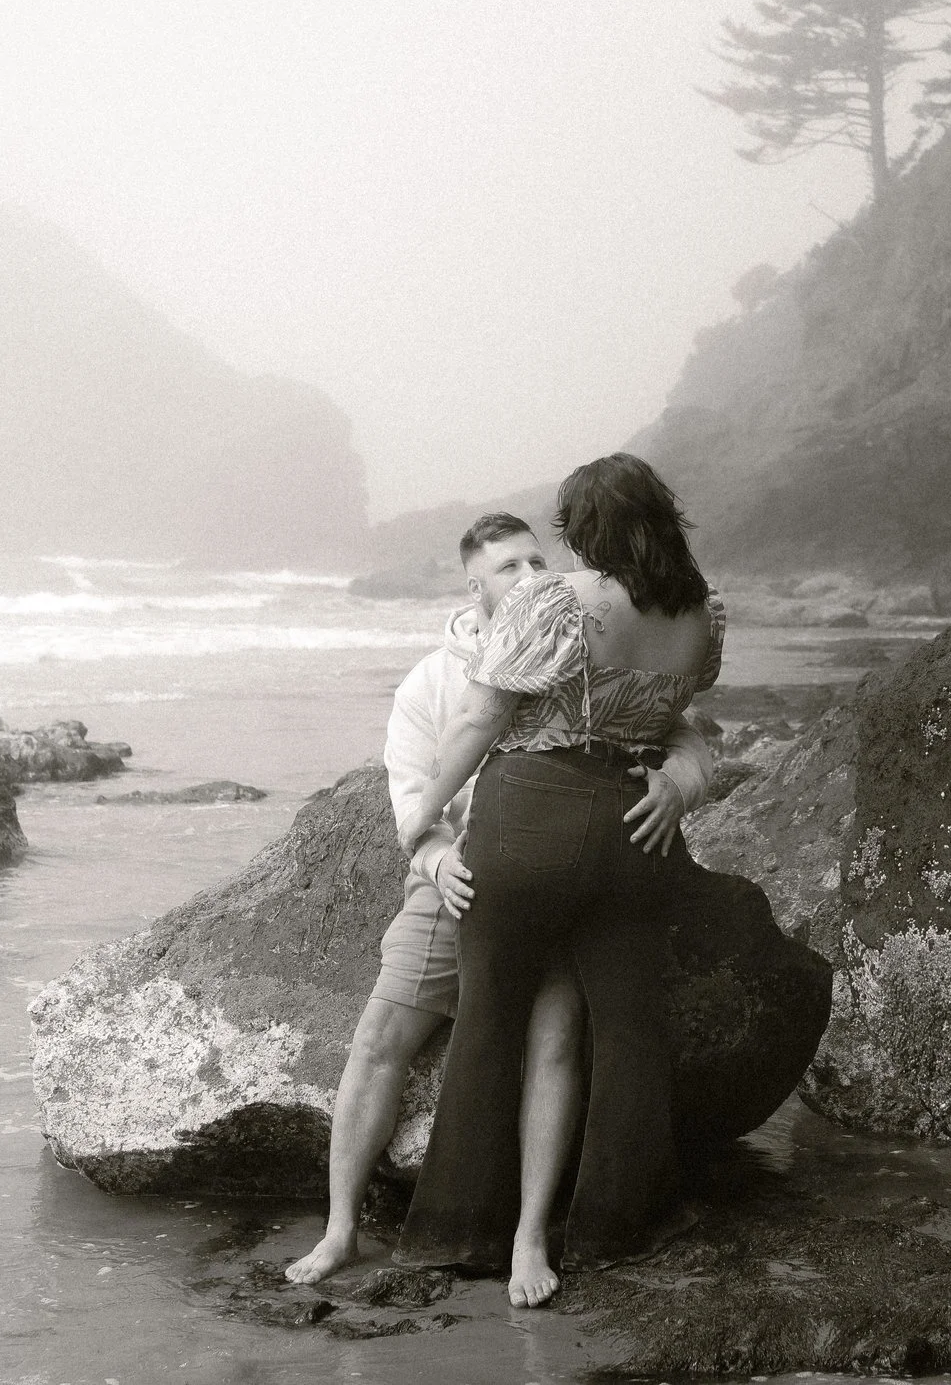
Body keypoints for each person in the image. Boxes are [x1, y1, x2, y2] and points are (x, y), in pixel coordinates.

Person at [282, 511, 710, 1289]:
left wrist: (678, 783)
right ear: (472, 585)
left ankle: (530, 1238)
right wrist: (436, 853)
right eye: (508, 568)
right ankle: (341, 1226)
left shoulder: (574, 641)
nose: (529, 578)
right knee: (381, 1033)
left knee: (554, 1040)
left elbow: (667, 723)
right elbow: (413, 792)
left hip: (556, 882)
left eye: (536, 562)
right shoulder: (433, 679)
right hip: (458, 880)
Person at [391, 454, 725, 1307]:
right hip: (633, 831)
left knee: (491, 1015)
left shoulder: (559, 599)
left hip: (532, 814)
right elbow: (684, 719)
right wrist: (681, 783)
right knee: (626, 1031)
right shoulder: (700, 618)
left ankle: (461, 1228)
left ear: (587, 529)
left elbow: (479, 715)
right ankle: (619, 1225)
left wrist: (421, 813)